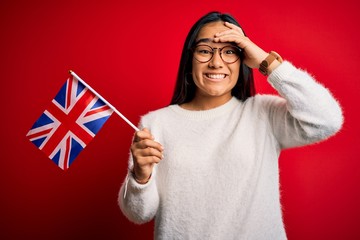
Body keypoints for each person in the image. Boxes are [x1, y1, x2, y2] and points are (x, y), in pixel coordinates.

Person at [118, 11, 343, 239]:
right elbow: (139, 214)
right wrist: (140, 176)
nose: (216, 63)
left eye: (230, 52)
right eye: (205, 51)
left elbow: (327, 119)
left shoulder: (264, 113)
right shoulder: (156, 123)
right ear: (190, 59)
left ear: (244, 59)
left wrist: (266, 61)